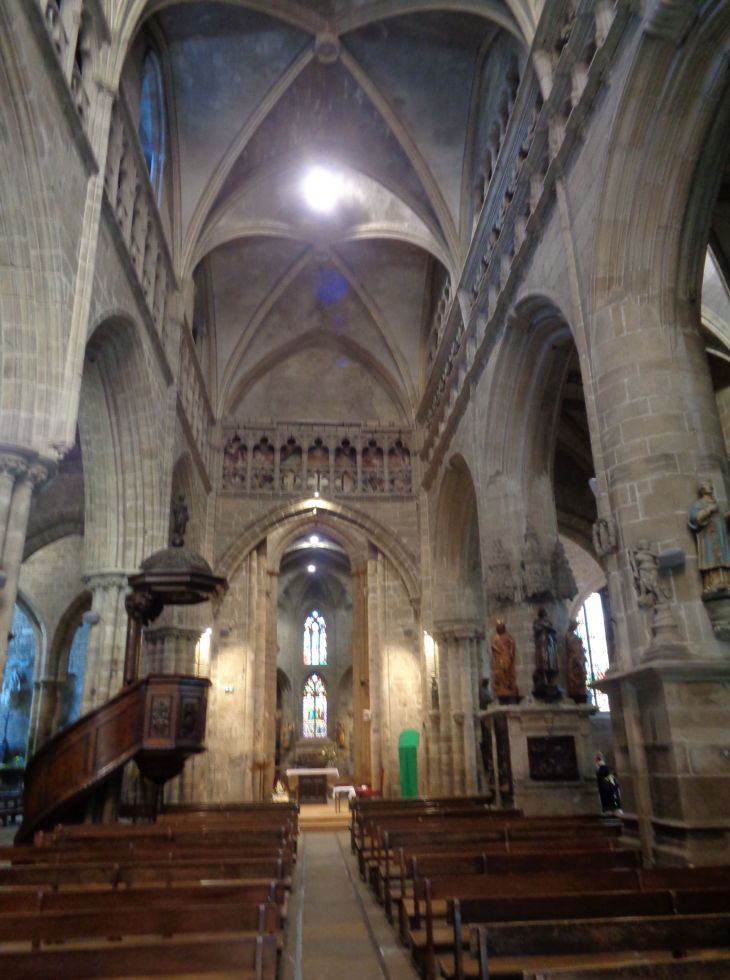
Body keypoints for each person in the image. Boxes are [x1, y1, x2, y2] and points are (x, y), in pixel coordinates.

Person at [687, 479, 730, 593]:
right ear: (701, 489)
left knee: (723, 559)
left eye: (710, 484)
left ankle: (726, 582)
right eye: (706, 485)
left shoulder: (717, 504)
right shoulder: (699, 504)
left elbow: (723, 520)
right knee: (712, 558)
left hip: (721, 538)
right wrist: (708, 510)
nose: (710, 486)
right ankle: (712, 584)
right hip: (708, 538)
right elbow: (694, 518)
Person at [490, 619, 519, 703]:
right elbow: (493, 646)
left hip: (506, 655)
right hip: (500, 657)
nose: (499, 629)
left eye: (501, 627)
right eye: (498, 627)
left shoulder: (507, 636)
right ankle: (502, 685)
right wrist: (498, 650)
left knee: (507, 669)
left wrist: (510, 652)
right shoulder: (496, 637)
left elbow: (512, 644)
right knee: (500, 671)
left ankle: (508, 684)